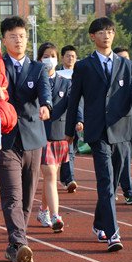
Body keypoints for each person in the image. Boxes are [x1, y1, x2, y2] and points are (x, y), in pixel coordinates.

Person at [65, 17, 132, 252]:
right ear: (93, 36)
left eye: (110, 32)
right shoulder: (84, 66)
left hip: (123, 129)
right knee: (104, 181)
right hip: (97, 131)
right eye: (102, 32)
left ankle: (98, 222)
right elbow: (74, 100)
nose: (106, 35)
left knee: (113, 181)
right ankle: (113, 234)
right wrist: (69, 130)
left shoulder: (127, 66)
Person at [0, 16, 52, 262]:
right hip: (6, 139)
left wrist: (46, 105)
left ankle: (15, 247)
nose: (19, 40)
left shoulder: (37, 68)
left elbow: (44, 91)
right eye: (13, 36)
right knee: (12, 194)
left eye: (22, 36)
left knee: (26, 197)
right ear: (4, 40)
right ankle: (20, 242)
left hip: (33, 139)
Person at [35, 42, 72, 233]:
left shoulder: (65, 83)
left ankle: (43, 210)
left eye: (53, 55)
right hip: (40, 134)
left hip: (59, 135)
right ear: (40, 59)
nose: (50, 59)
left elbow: (74, 106)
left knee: (52, 176)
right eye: (46, 56)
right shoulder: (35, 82)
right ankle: (56, 215)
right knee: (49, 174)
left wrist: (77, 123)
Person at [114, 47, 132, 205]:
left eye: (127, 58)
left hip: (131, 124)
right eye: (121, 58)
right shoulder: (108, 80)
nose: (125, 62)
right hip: (113, 126)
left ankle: (116, 184)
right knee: (121, 159)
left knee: (125, 160)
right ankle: (129, 192)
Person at [58, 44, 78, 193]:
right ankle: (69, 178)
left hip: (79, 115)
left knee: (72, 149)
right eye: (68, 56)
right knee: (68, 149)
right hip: (62, 118)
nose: (70, 58)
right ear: (62, 57)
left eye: (73, 56)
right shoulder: (58, 75)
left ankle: (65, 177)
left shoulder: (80, 74)